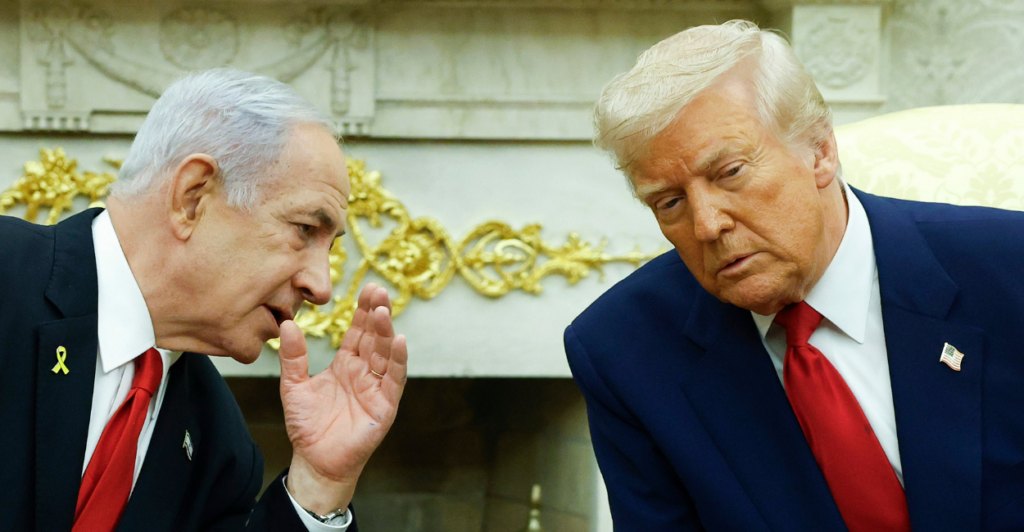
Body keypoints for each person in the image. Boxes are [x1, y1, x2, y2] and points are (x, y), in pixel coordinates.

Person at [565, 20, 1024, 532]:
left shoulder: (1008, 269)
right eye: (669, 202)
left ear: (820, 150)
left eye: (730, 172)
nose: (706, 224)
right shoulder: (625, 350)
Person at [0, 69, 409, 531]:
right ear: (193, 198)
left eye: (329, 249)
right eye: (304, 230)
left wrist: (320, 484)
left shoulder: (222, 445)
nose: (322, 287)